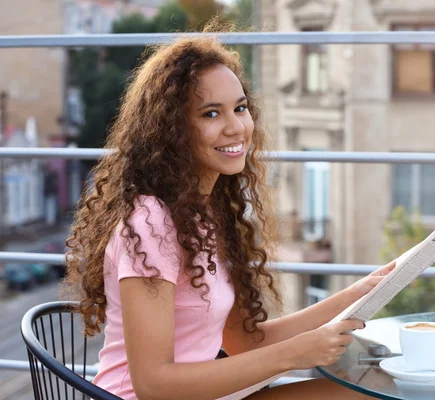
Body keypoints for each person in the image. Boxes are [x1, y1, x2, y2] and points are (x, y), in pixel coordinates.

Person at [64, 29, 396, 400]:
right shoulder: (150, 223)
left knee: (379, 387)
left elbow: (244, 342)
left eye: (240, 108)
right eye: (211, 113)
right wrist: (293, 355)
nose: (236, 126)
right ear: (172, 131)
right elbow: (153, 384)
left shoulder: (208, 214)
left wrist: (356, 294)